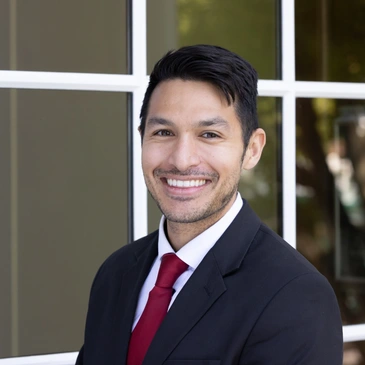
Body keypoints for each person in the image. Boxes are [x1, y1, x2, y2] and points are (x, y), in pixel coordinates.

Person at [76, 45, 343, 365]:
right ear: (142, 138)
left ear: (252, 149)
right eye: (163, 132)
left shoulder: (294, 297)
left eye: (209, 134)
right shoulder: (115, 274)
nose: (182, 160)